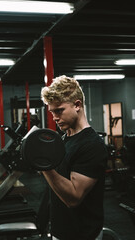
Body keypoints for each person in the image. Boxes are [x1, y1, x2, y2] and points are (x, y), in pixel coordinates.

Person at [41, 75, 108, 240]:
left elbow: (74, 197)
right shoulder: (65, 139)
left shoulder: (92, 145)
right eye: (52, 112)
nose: (55, 117)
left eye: (59, 110)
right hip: (61, 232)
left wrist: (44, 165)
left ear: (77, 105)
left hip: (82, 235)